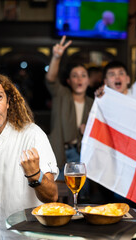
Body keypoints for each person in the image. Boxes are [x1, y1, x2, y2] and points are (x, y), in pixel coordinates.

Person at [0, 70, 59, 240]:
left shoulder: (32, 135)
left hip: (24, 236)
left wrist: (35, 175)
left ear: (8, 102)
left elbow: (52, 196)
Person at [45, 35, 94, 180]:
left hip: (82, 155)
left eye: (83, 75)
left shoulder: (93, 103)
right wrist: (56, 57)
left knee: (80, 194)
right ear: (69, 81)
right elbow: (51, 80)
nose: (79, 79)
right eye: (75, 76)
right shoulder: (62, 94)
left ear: (88, 80)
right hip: (59, 151)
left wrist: (90, 131)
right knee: (59, 193)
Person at [98, 20, 136, 104]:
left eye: (121, 73)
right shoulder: (102, 101)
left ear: (128, 79)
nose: (117, 77)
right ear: (106, 82)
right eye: (112, 74)